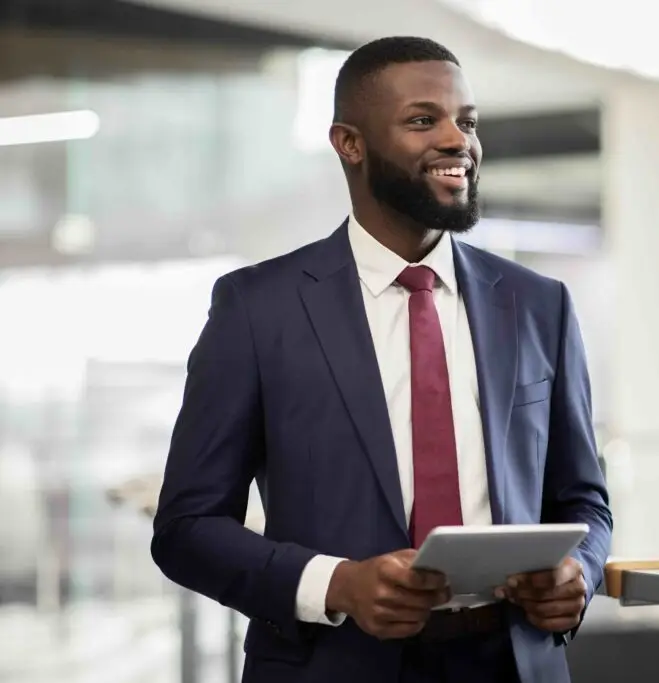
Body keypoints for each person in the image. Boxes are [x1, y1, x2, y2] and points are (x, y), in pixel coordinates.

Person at [151, 35, 612, 683]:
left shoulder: (539, 305)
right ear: (350, 143)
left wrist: (580, 572)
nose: (458, 140)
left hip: (512, 662)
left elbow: (584, 500)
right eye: (424, 120)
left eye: (467, 121)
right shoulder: (258, 308)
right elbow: (187, 527)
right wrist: (337, 583)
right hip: (333, 662)